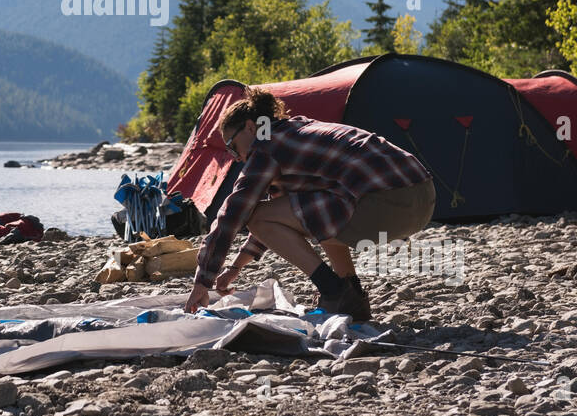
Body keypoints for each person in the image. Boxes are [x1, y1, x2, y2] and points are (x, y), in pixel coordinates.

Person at [184, 87, 436, 320]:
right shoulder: (294, 131)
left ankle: (334, 290)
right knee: (317, 212)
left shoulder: (266, 146)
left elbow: (235, 213)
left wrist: (202, 281)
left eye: (231, 145)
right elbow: (283, 219)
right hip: (423, 197)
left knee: (262, 215)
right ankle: (351, 295)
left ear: (251, 127)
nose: (235, 156)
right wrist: (235, 267)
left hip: (388, 201)